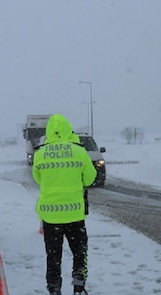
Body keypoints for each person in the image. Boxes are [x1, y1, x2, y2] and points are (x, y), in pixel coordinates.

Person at [33, 114, 97, 295]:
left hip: (50, 217)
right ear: (69, 129)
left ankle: (54, 289)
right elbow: (90, 178)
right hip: (75, 216)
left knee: (53, 257)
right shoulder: (79, 151)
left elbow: (38, 179)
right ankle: (79, 287)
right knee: (80, 253)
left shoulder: (40, 153)